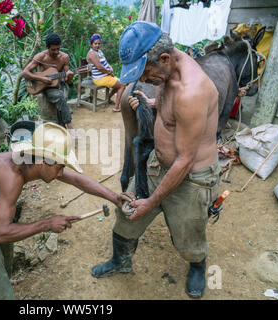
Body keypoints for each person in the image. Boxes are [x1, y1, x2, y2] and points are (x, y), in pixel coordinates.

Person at [91, 21, 221, 299]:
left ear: (163, 59)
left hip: (192, 178)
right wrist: (152, 104)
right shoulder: (169, 68)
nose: (144, 80)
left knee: (188, 236)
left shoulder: (191, 91)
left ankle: (198, 264)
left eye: (145, 74)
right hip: (159, 165)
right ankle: (120, 261)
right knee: (126, 213)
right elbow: (170, 109)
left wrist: (151, 202)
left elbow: (185, 160)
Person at [0, 122, 131, 299]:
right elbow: (0, 233)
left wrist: (114, 197)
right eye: (60, 165)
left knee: (5, 243)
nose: (62, 171)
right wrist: (47, 224)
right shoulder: (13, 178)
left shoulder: (34, 162)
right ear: (43, 161)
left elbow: (77, 179)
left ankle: (2, 283)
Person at [22, 33, 78, 138]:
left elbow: (67, 79)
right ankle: (68, 125)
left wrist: (69, 76)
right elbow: (25, 72)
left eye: (58, 49)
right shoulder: (41, 56)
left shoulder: (64, 57)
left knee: (61, 94)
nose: (56, 52)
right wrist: (41, 78)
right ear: (47, 47)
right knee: (60, 96)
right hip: (45, 86)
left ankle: (62, 127)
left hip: (59, 83)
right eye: (53, 49)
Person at [86, 33, 126, 112]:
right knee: (122, 85)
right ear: (91, 44)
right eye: (95, 43)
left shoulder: (99, 52)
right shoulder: (92, 54)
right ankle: (116, 107)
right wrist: (109, 72)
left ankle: (107, 99)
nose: (97, 45)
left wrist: (110, 69)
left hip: (105, 76)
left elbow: (106, 63)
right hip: (99, 78)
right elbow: (99, 67)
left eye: (99, 43)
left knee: (119, 83)